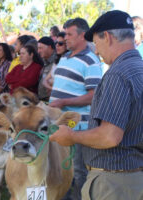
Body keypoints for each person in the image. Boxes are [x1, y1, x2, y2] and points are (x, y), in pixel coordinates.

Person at [50, 10, 143, 200]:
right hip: (133, 178)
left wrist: (71, 136)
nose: (97, 51)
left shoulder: (117, 74)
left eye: (97, 44)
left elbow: (110, 136)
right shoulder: (138, 68)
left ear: (107, 37)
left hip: (113, 183)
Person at [49, 18, 102, 200]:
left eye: (70, 34)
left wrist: (63, 102)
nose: (65, 38)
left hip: (77, 125)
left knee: (78, 170)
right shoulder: (65, 57)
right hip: (59, 123)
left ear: (82, 36)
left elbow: (94, 95)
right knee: (61, 167)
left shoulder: (91, 61)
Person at [37, 36, 57, 101]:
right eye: (38, 48)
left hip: (52, 100)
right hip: (42, 100)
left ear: (50, 47)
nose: (38, 51)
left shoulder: (57, 61)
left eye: (41, 48)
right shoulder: (44, 62)